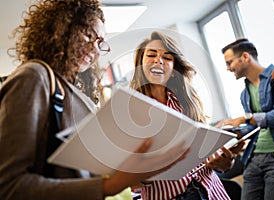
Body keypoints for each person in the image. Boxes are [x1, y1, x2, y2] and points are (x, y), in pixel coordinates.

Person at [0, 1, 189, 199]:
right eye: (88, 34)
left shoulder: (76, 93)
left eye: (100, 42)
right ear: (62, 29)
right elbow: (8, 186)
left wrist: (137, 170)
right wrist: (107, 186)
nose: (95, 48)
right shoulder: (34, 76)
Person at [130, 31, 244, 200]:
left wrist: (225, 163)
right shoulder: (130, 111)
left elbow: (209, 153)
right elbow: (132, 183)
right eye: (151, 55)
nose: (159, 60)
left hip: (211, 192)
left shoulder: (188, 101)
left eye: (167, 58)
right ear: (140, 62)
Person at [220, 38, 274, 200]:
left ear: (245, 57)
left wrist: (245, 117)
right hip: (253, 157)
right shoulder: (245, 94)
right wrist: (232, 133)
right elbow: (254, 128)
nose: (228, 68)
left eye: (230, 62)